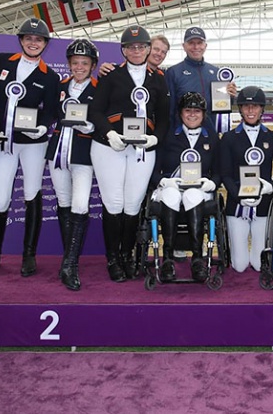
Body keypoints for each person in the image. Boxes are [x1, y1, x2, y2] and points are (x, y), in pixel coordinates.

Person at [88, 25, 170, 282]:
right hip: (110, 147)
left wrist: (155, 138)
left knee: (133, 203)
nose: (136, 51)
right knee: (113, 203)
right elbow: (96, 111)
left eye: (141, 47)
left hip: (142, 148)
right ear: (123, 49)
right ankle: (113, 259)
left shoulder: (158, 78)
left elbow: (166, 117)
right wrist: (109, 133)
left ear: (148, 49)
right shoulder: (111, 75)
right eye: (131, 47)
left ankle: (128, 255)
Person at [0, 18, 60, 277]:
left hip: (33, 143)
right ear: (21, 41)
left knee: (31, 193)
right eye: (28, 38)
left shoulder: (50, 76)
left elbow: (50, 111)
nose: (33, 42)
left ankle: (29, 254)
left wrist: (43, 127)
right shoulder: (4, 61)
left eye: (38, 39)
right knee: (2, 196)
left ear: (45, 44)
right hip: (3, 140)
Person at [45, 39, 99, 291]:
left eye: (84, 63)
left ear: (93, 66)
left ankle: (70, 264)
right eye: (75, 63)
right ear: (69, 64)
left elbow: (105, 119)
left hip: (83, 153)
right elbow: (47, 113)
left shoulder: (100, 88)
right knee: (64, 202)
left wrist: (89, 127)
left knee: (80, 204)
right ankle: (69, 262)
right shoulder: (59, 86)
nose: (79, 67)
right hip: (57, 151)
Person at [152, 92, 220, 282]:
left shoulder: (212, 138)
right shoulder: (168, 136)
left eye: (196, 111)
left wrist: (213, 182)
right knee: (172, 195)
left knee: (192, 194)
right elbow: (154, 169)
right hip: (170, 187)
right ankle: (167, 258)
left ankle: (197, 258)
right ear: (180, 113)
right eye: (187, 110)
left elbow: (218, 171)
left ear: (204, 114)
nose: (192, 115)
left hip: (198, 190)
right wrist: (163, 181)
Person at [220, 86, 273, 273]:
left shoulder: (272, 138)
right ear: (240, 108)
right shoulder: (229, 138)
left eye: (255, 106)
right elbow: (224, 174)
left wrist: (270, 188)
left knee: (258, 265)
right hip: (237, 204)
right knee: (239, 266)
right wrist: (238, 194)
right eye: (246, 106)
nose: (250, 111)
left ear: (261, 109)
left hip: (263, 204)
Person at [164, 26, 236, 130]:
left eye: (199, 43)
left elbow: (220, 107)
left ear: (205, 46)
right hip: (182, 135)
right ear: (184, 46)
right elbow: (170, 110)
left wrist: (230, 96)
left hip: (210, 134)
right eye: (191, 43)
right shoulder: (173, 72)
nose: (196, 47)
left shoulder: (216, 73)